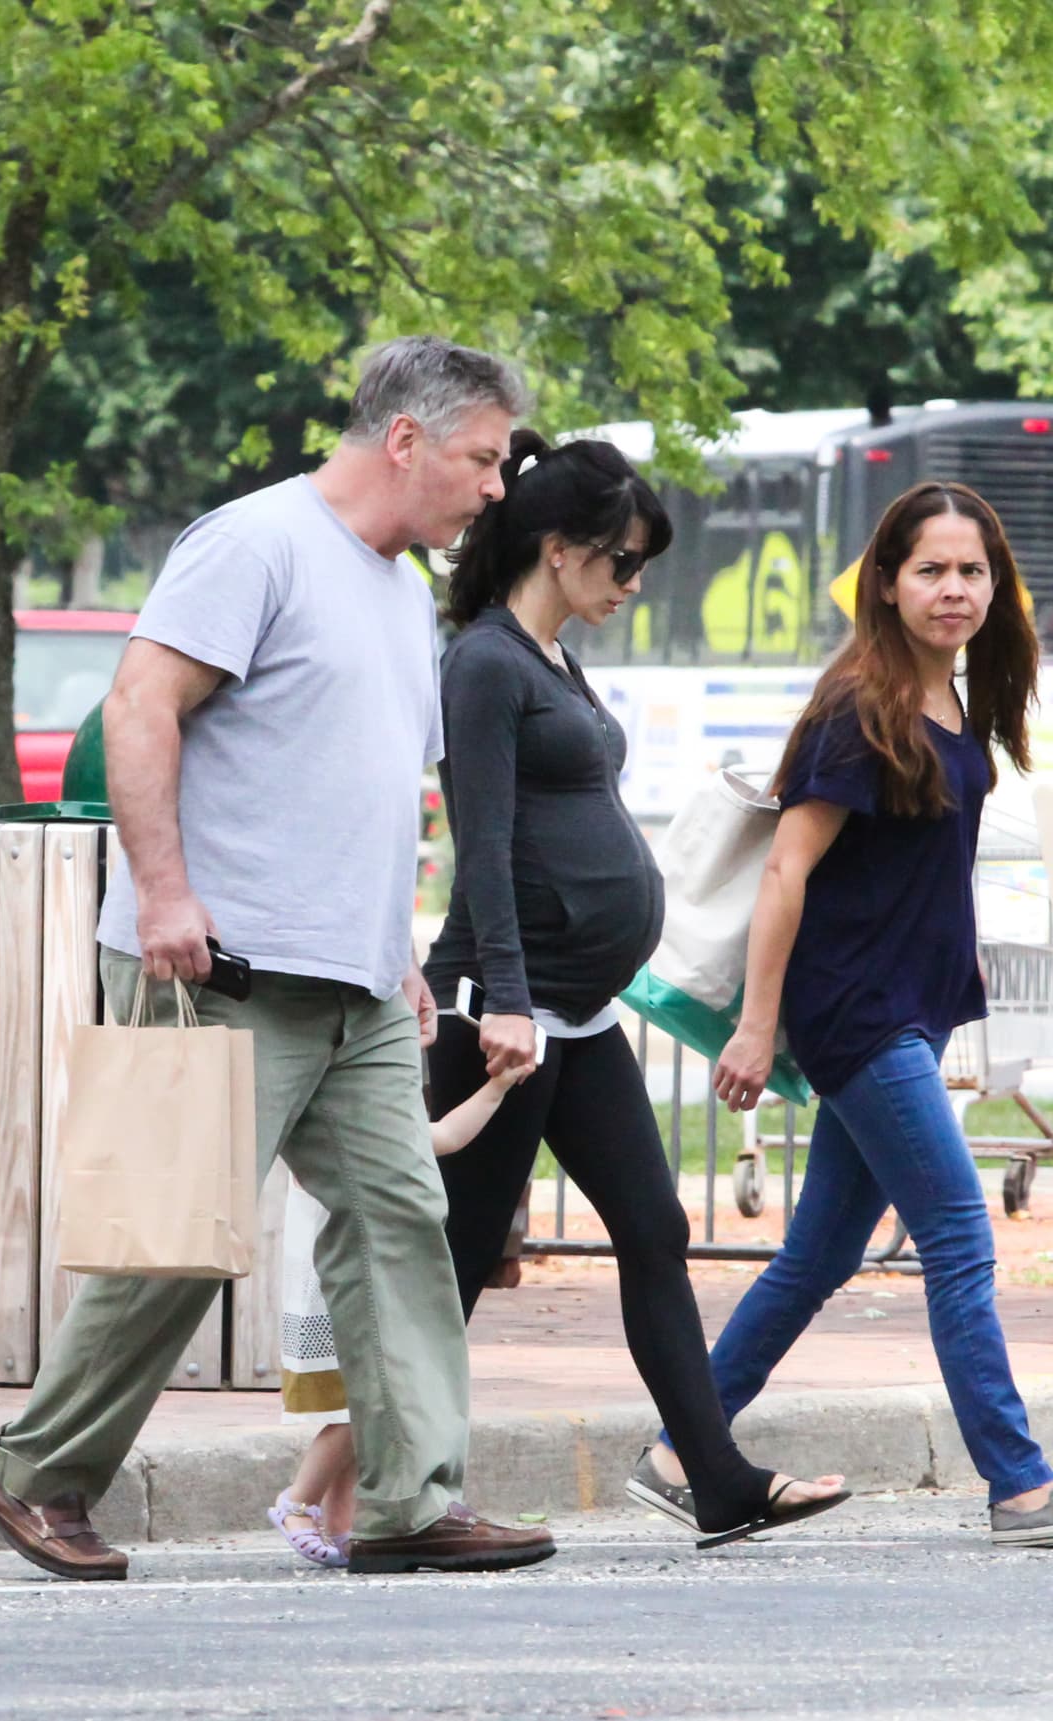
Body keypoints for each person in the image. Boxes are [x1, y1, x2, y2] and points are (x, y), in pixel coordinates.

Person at [0, 336, 556, 1580]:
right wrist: (165, 892)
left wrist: (393, 942)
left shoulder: (401, 591)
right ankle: (35, 1476)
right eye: (482, 457)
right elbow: (138, 706)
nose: (497, 485)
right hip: (220, 968)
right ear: (404, 439)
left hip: (352, 981)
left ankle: (407, 1499)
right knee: (179, 1233)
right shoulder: (255, 543)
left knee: (401, 1216)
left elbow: (362, 786)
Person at [418, 429, 850, 1547]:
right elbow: (484, 848)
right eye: (620, 561)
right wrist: (504, 1001)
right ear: (558, 549)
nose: (632, 581)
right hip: (508, 1014)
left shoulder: (551, 658)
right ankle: (393, 1487)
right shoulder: (482, 662)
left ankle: (714, 1478)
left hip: (575, 1008)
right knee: (455, 1261)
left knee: (653, 1227)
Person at [639, 480, 1053, 1548]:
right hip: (855, 1012)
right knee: (958, 1230)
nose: (952, 589)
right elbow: (785, 870)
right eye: (930, 570)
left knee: (817, 1256)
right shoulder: (856, 704)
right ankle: (1017, 1483)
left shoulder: (953, 697)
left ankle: (680, 1445)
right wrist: (754, 1024)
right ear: (883, 581)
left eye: (970, 571)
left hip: (906, 1008)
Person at [270, 1064, 528, 1568]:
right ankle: (296, 1501)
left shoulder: (379, 1131)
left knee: (361, 1407)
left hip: (354, 1283)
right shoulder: (325, 1130)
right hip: (330, 1288)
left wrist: (497, 1086)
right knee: (359, 1407)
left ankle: (342, 1521)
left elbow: (448, 1135)